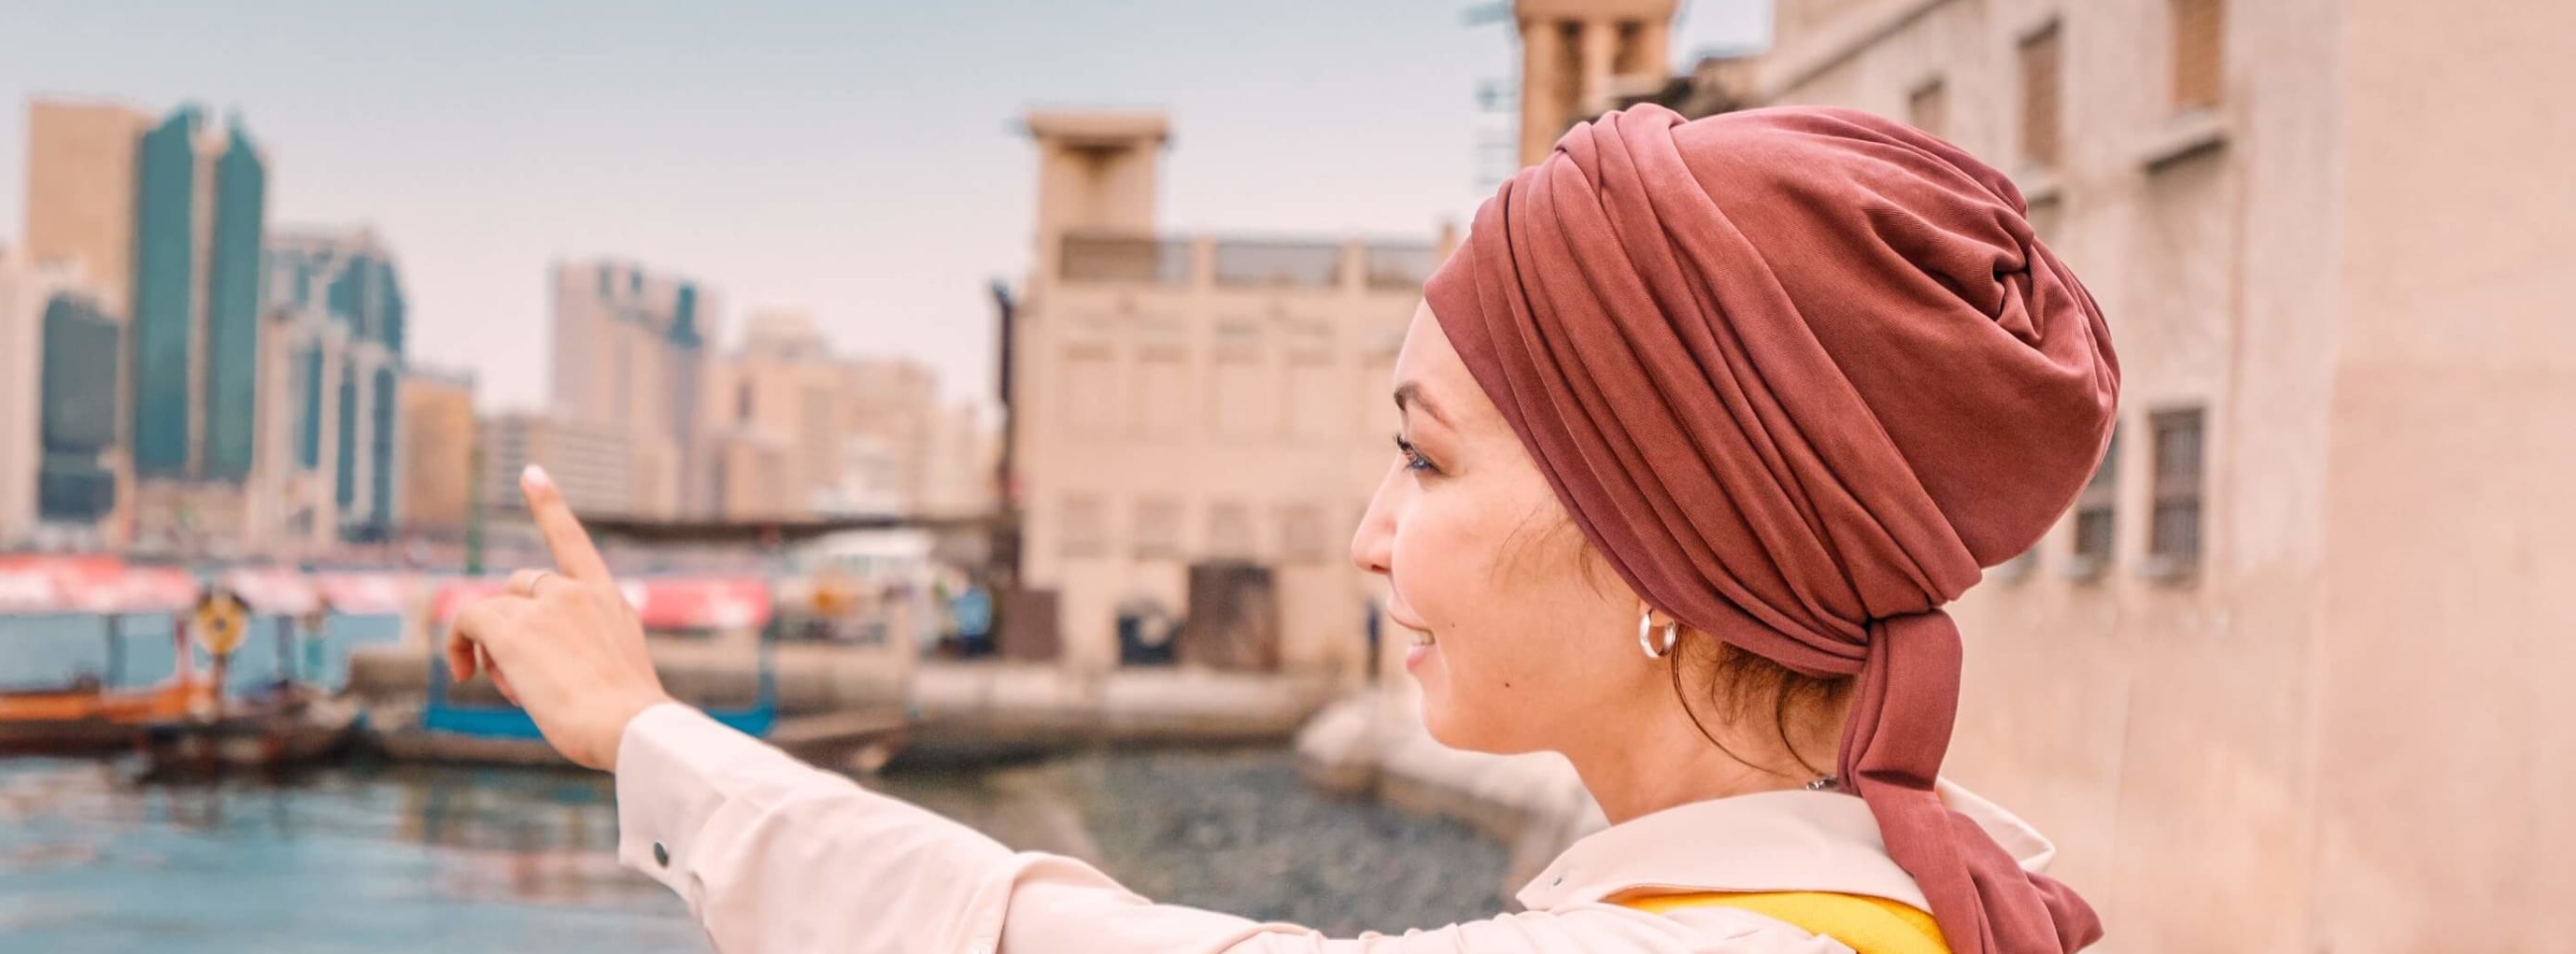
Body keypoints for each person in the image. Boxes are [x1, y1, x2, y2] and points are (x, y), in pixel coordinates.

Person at [446, 105, 2107, 954]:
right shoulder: (1929, 904)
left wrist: (640, 729)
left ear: (1663, 547)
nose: (1372, 540)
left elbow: (1008, 932)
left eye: (1430, 465)